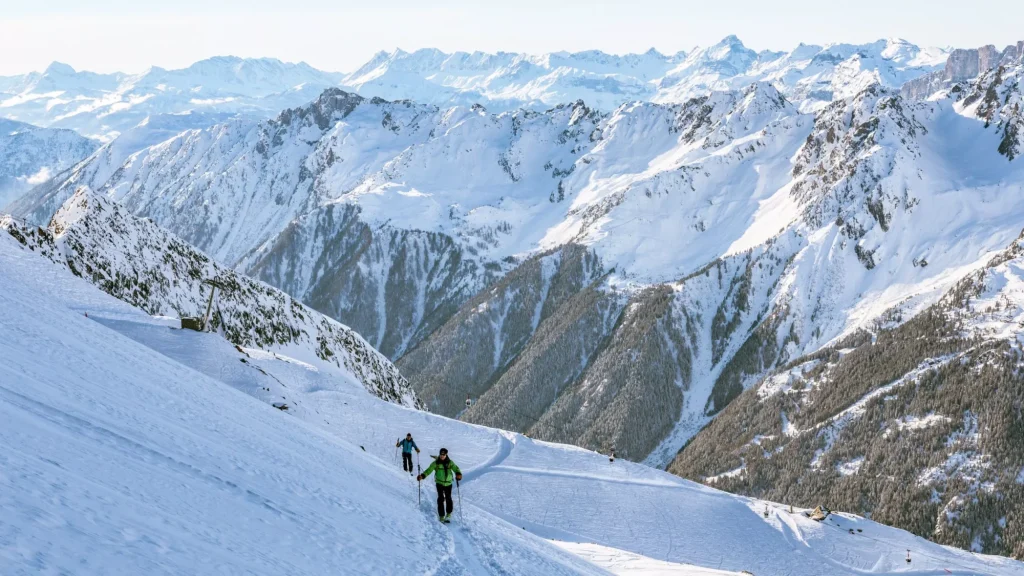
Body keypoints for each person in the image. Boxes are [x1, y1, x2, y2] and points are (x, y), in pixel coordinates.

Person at [417, 448, 462, 523]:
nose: (442, 456)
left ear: (446, 455)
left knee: (448, 498)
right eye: (441, 454)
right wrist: (422, 476)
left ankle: (448, 514)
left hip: (448, 483)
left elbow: (456, 468)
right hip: (439, 483)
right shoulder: (436, 463)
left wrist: (458, 474)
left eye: (443, 455)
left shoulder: (450, 462)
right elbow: (429, 470)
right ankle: (441, 516)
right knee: (440, 498)